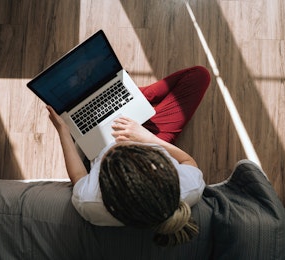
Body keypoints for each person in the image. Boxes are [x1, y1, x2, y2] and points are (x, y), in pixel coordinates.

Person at [47, 66, 211, 246]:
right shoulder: (189, 188)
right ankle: (132, 97)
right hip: (148, 135)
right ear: (161, 164)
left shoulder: (90, 203)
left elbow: (79, 176)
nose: (118, 143)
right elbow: (188, 161)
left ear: (106, 188)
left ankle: (124, 96)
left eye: (107, 158)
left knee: (85, 99)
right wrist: (148, 138)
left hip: (98, 142)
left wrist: (63, 130)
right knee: (199, 75)